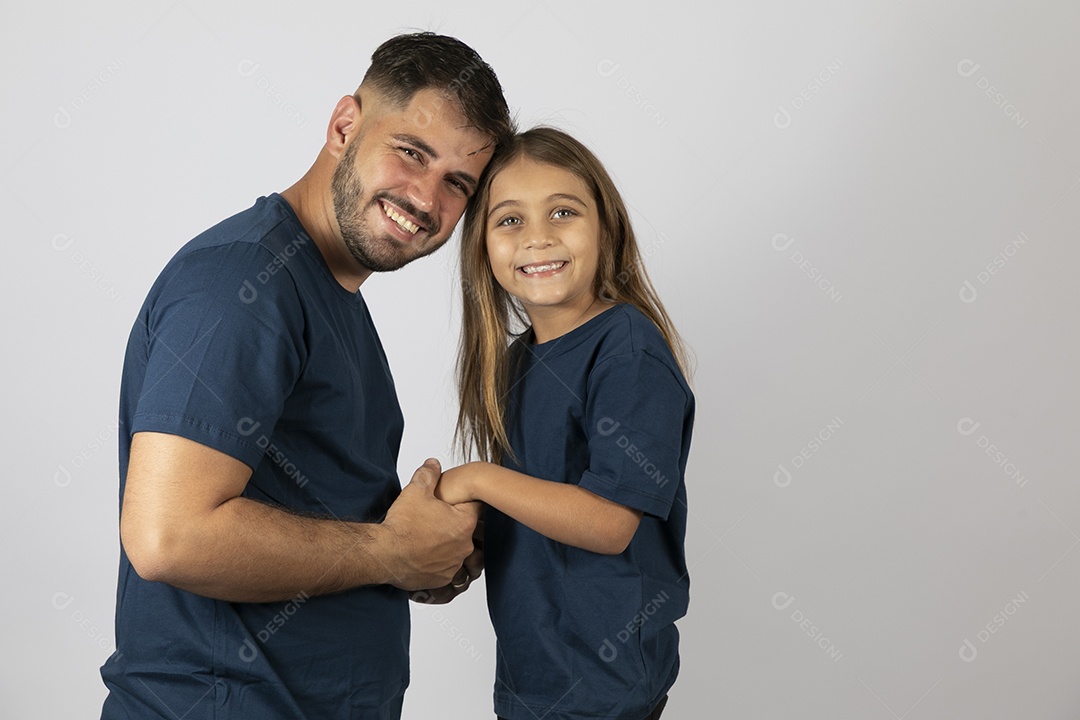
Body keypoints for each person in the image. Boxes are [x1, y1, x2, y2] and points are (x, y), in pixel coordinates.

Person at [100, 33, 514, 719]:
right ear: (344, 126)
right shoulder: (242, 283)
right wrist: (389, 553)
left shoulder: (328, 293)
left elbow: (313, 517)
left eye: (457, 184)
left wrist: (422, 551)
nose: (425, 198)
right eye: (411, 152)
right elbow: (169, 537)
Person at [434, 127, 695, 720]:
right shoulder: (513, 363)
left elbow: (608, 523)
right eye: (510, 220)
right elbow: (537, 505)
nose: (538, 237)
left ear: (607, 228)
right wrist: (463, 549)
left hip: (604, 688)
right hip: (532, 679)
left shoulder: (627, 351)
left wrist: (475, 480)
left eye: (562, 211)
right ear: (482, 247)